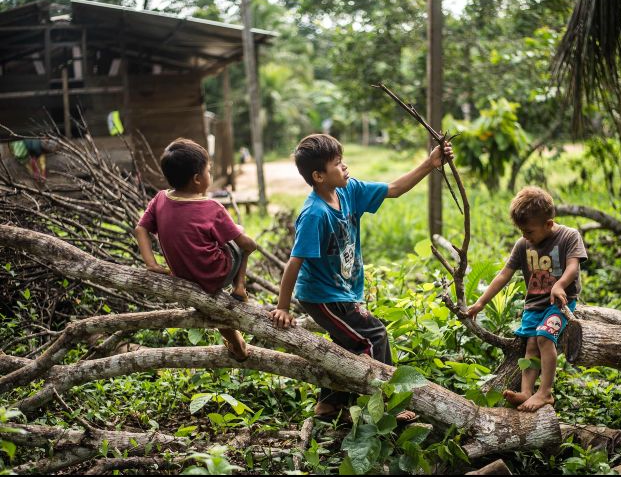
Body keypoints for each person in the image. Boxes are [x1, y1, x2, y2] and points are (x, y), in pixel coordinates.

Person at [269, 133, 453, 422]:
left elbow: (394, 189)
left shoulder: (349, 191)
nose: (345, 168)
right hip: (322, 296)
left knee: (345, 344)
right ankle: (388, 404)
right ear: (318, 176)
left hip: (343, 290)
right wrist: (282, 306)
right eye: (337, 164)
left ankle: (329, 407)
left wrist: (430, 163)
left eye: (343, 162)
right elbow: (295, 261)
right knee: (373, 336)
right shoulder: (315, 214)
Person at [134, 138, 257, 361]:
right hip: (217, 274)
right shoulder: (211, 207)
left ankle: (236, 344)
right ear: (198, 179)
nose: (210, 174)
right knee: (242, 238)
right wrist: (249, 243)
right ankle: (239, 287)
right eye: (209, 170)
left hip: (183, 275)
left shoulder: (159, 199)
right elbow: (243, 244)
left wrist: (151, 264)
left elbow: (140, 229)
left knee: (211, 306)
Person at [467, 187, 587, 412]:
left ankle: (546, 392)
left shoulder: (569, 236)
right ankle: (526, 391)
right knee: (531, 346)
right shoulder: (523, 244)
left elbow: (573, 266)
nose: (524, 236)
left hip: (560, 303)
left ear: (549, 224)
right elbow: (504, 273)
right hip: (534, 304)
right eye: (521, 231)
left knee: (543, 337)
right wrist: (481, 302)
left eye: (529, 231)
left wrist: (559, 285)